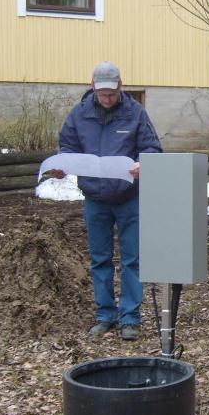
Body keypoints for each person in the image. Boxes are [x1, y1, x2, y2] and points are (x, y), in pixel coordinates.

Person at [51, 61, 162, 340]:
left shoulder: (135, 113)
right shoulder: (79, 114)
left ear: (120, 87)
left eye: (112, 93)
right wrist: (63, 164)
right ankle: (105, 315)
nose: (107, 98)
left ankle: (130, 318)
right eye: (102, 93)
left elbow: (152, 147)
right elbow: (67, 146)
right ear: (93, 87)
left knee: (132, 259)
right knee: (99, 258)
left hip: (129, 197)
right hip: (95, 198)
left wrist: (143, 164)